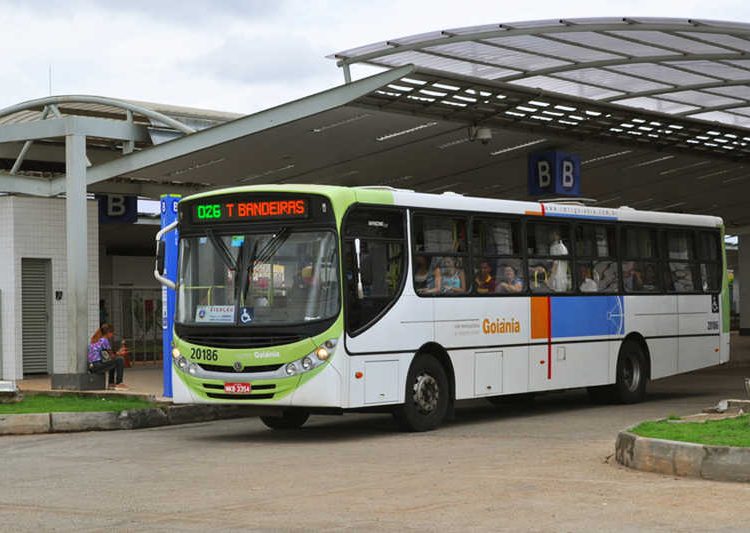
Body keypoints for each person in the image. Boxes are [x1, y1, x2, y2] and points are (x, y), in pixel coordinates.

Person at [88, 324, 128, 390]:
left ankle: (111, 384)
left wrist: (117, 353)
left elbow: (106, 356)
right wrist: (120, 353)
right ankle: (119, 383)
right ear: (108, 333)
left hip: (93, 366)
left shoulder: (97, 340)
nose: (112, 336)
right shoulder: (104, 340)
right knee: (120, 360)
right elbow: (111, 356)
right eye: (112, 333)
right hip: (97, 366)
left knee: (113, 362)